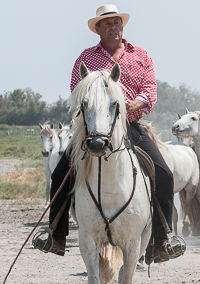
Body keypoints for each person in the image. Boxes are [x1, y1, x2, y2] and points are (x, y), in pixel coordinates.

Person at [34, 4, 181, 263]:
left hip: (129, 126)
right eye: (108, 24)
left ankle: (163, 239)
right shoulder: (85, 59)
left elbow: (149, 92)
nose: (114, 28)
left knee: (164, 174)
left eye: (117, 23)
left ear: (122, 26)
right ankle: (55, 236)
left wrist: (129, 105)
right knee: (61, 172)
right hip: (91, 129)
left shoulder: (141, 56)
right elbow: (76, 92)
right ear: (98, 29)